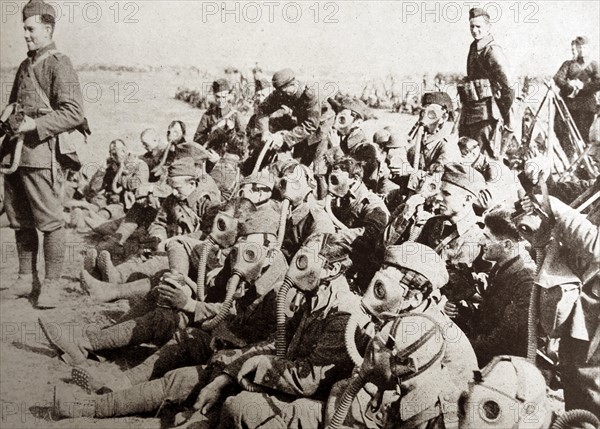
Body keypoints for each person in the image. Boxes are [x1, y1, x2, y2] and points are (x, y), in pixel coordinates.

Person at [326, 242, 478, 428]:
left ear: (415, 297)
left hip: (414, 416)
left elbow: (427, 403)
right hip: (390, 400)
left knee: (339, 393)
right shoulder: (404, 313)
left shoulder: (430, 335)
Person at [1, 0, 86, 308]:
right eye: (23, 28)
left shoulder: (59, 63)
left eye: (30, 28)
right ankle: (26, 279)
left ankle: (51, 285)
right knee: (20, 222)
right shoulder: (25, 65)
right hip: (15, 156)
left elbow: (74, 113)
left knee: (50, 223)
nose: (25, 34)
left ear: (48, 29)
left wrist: (35, 123)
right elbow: (12, 107)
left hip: (41, 155)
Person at [516, 193, 600, 416]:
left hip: (594, 327)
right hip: (584, 312)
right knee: (573, 382)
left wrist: (560, 211)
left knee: (591, 395)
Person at [468, 208, 534, 366]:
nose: (480, 242)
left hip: (503, 364)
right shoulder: (500, 269)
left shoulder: (526, 283)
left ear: (507, 245)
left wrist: (462, 344)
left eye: (486, 238)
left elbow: (501, 341)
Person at [459, 7, 514, 160]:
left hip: (486, 115)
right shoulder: (474, 48)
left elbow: (508, 86)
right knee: (466, 153)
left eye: (478, 26)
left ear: (488, 27)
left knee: (483, 157)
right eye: (472, 26)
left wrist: (503, 111)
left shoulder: (492, 51)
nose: (474, 30)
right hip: (470, 113)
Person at [327, 157, 390, 292]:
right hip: (344, 255)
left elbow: (371, 234)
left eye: (336, 179)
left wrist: (338, 235)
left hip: (363, 268)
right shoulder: (340, 198)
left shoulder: (372, 204)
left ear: (354, 179)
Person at [255, 68, 326, 166]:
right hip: (301, 125)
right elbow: (262, 110)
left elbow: (311, 124)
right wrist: (265, 131)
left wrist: (284, 138)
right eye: (279, 91)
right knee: (296, 164)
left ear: (293, 84)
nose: (282, 95)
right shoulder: (280, 92)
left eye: (284, 91)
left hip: (321, 124)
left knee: (319, 168)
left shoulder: (310, 94)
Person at [554, 36, 600, 151]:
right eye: (579, 47)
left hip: (586, 107)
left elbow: (598, 82)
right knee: (560, 130)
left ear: (589, 48)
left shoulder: (594, 65)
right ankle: (570, 156)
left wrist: (583, 86)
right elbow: (558, 78)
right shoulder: (568, 64)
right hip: (569, 105)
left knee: (583, 136)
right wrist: (570, 86)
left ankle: (584, 164)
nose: (582, 50)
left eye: (584, 47)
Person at [193, 79, 244, 146]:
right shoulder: (208, 115)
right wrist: (211, 136)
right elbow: (197, 138)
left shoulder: (235, 115)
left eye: (224, 97)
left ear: (228, 96)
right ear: (214, 95)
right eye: (218, 97)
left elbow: (243, 140)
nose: (220, 100)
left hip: (229, 154)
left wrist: (231, 133)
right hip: (211, 152)